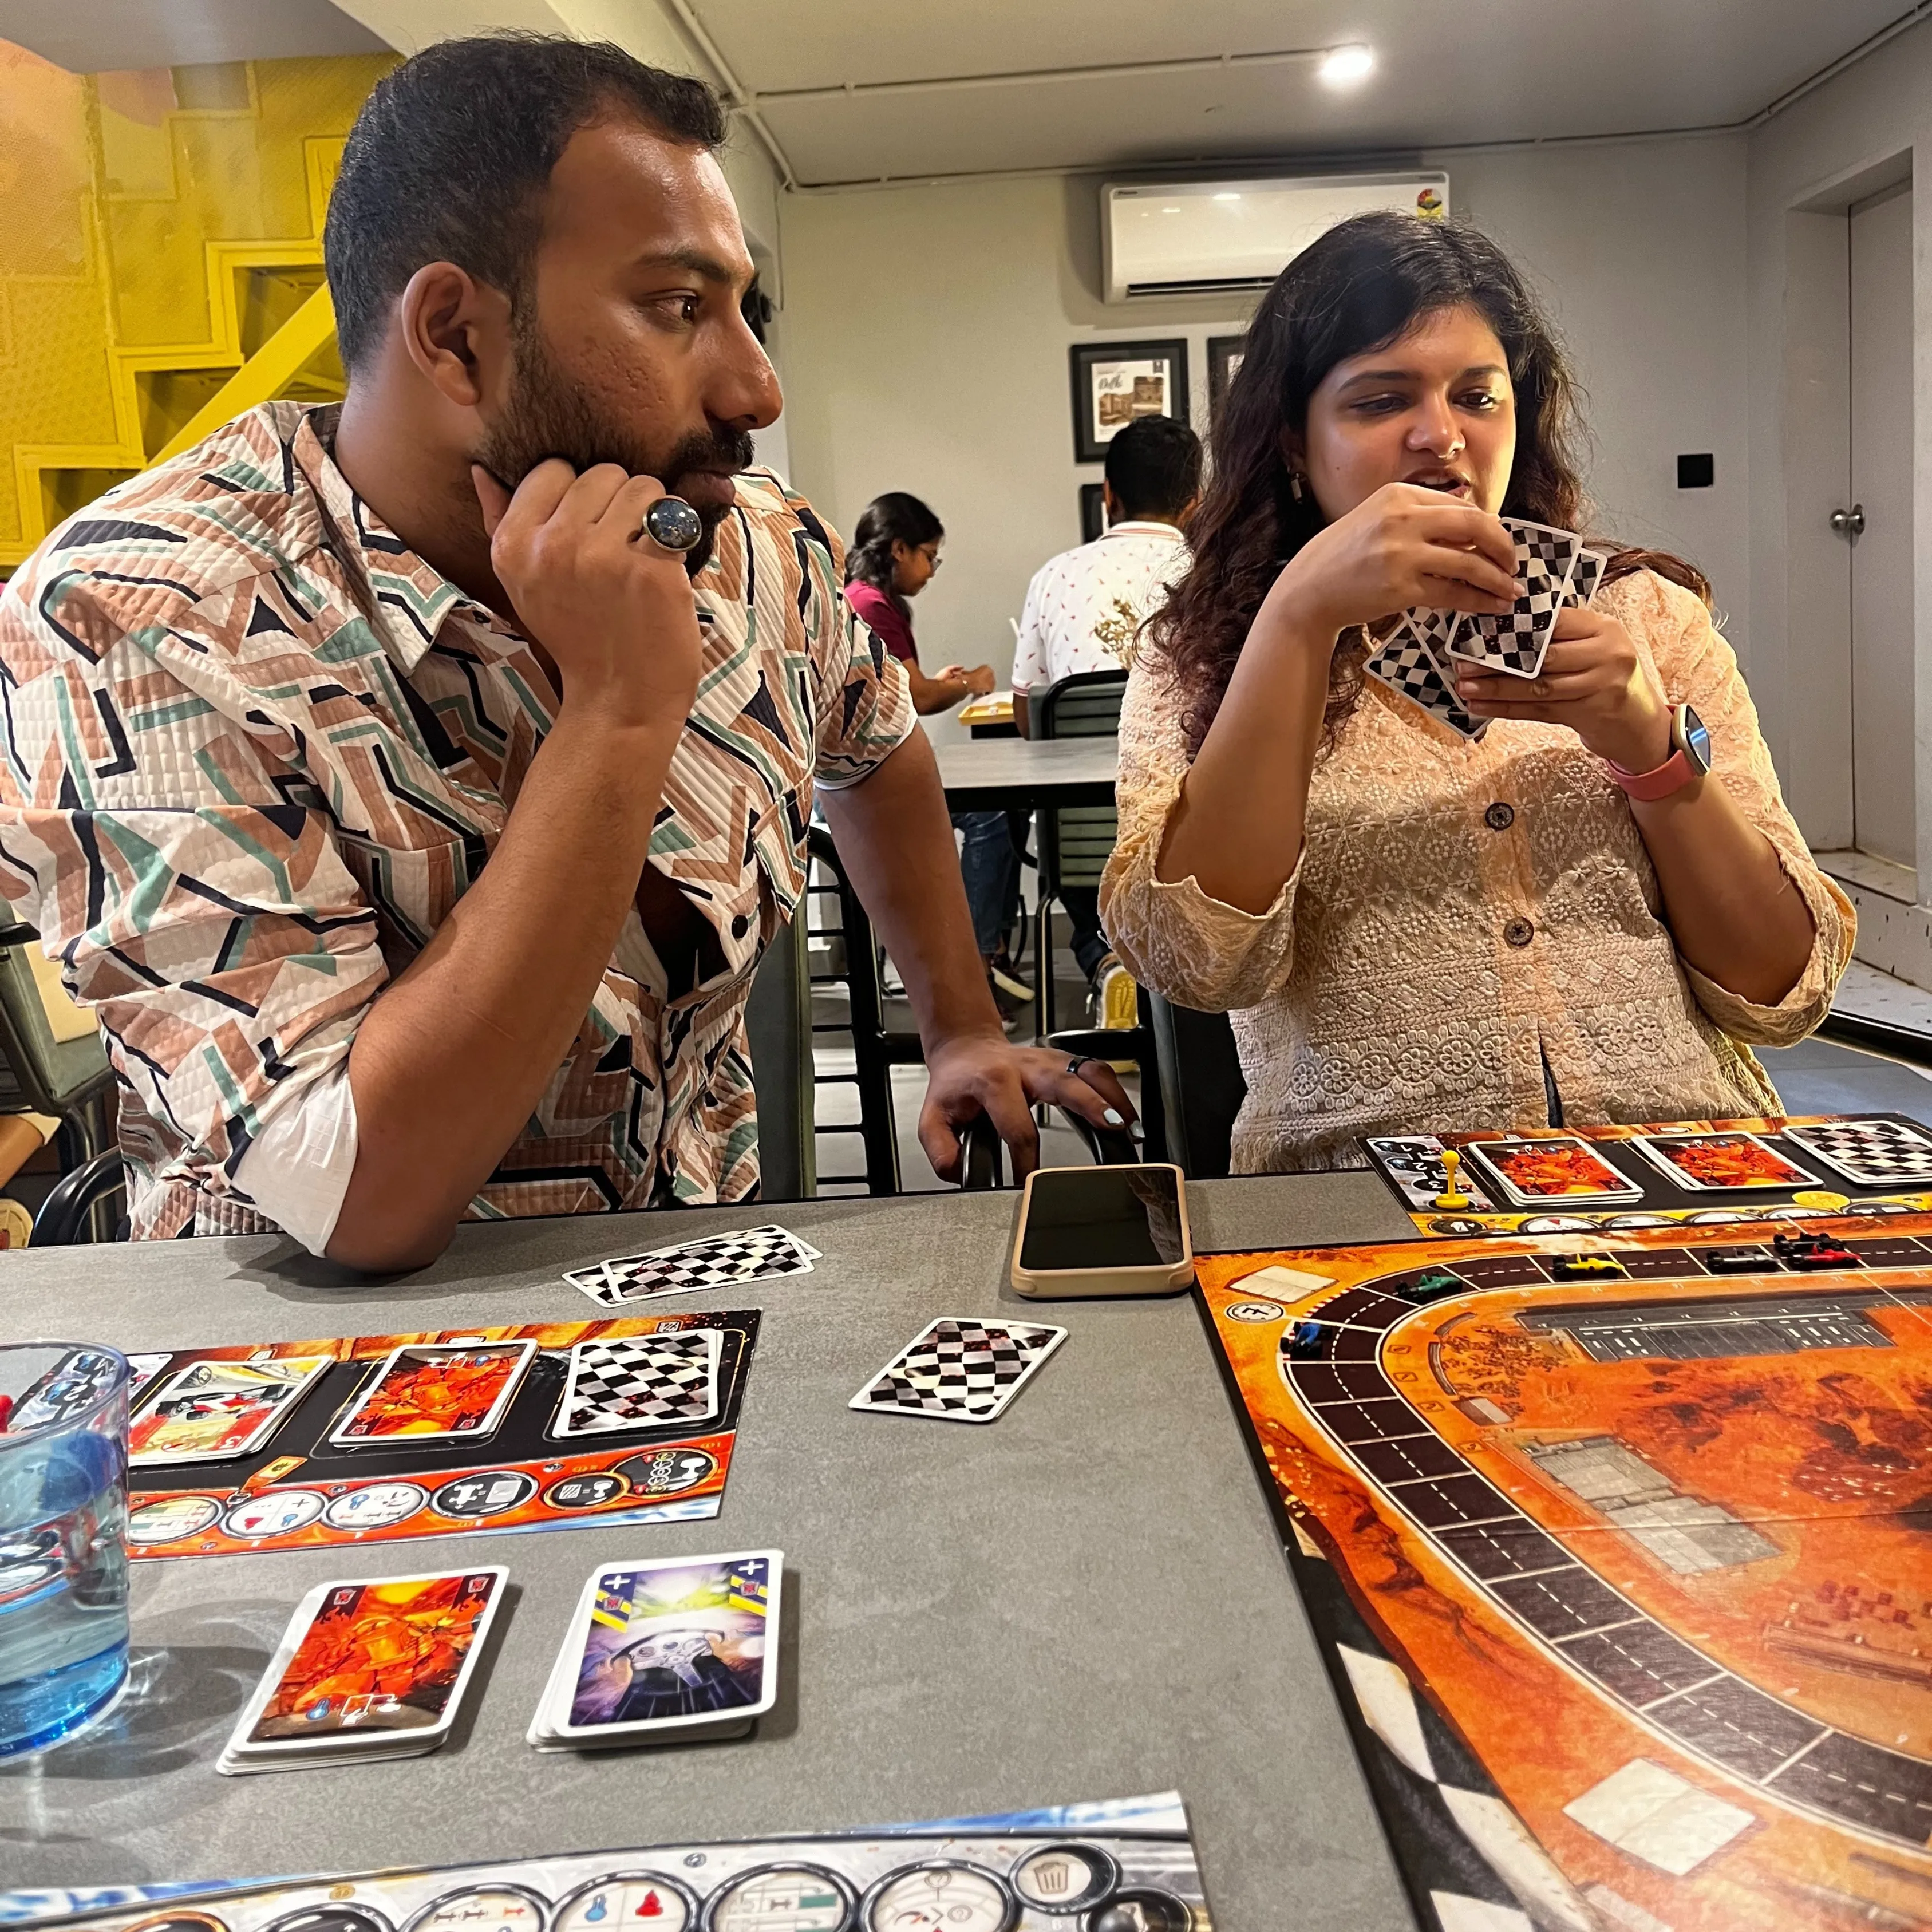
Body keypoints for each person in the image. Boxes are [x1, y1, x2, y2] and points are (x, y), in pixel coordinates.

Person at [0, 35, 1130, 1267]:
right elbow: (359, 1196)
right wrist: (615, 716)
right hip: (331, 1394)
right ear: (455, 335)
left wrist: (961, 1024)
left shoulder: (753, 543)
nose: (758, 388)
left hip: (699, 1293)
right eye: (679, 308)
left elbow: (878, 745)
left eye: (743, 310)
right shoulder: (137, 611)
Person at [1100, 211, 1851, 1174]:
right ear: (1294, 439)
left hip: (1680, 1169)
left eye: (1477, 396)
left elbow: (1781, 988)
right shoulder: (1202, 654)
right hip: (1360, 1193)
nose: (1440, 437)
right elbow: (1195, 964)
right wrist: (1296, 620)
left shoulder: (1647, 618)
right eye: (1379, 401)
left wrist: (1654, 750)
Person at [1012, 415, 1201, 1029]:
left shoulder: (1053, 577)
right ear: (1197, 502)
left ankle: (1105, 962)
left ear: (1107, 496)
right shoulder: (1214, 572)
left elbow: (1027, 715)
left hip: (1083, 832)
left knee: (1080, 873)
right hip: (1190, 822)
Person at [843, 494, 1026, 1006]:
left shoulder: (860, 596)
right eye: (929, 555)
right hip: (861, 779)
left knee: (997, 810)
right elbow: (918, 698)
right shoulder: (872, 604)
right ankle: (973, 964)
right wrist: (971, 684)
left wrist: (939, 682)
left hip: (859, 772)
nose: (931, 570)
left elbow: (909, 687)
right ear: (898, 549)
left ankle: (977, 955)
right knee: (993, 816)